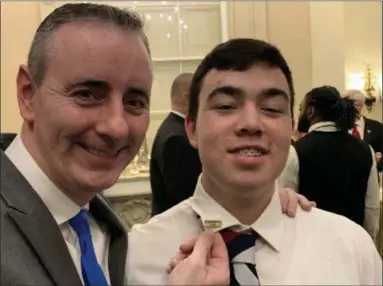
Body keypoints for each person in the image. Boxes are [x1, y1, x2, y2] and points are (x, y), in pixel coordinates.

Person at [0, 4, 313, 286]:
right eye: (87, 94)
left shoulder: (105, 232)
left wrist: (261, 202)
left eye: (135, 102)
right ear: (28, 94)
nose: (116, 126)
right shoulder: (141, 247)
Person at [127, 39, 382, 285]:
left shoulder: (349, 248)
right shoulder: (136, 257)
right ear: (192, 128)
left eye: (271, 108)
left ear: (291, 127)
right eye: (226, 106)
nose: (251, 124)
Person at [280, 86, 380, 240]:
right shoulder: (366, 150)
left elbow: (288, 206)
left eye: (301, 109)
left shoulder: (296, 152)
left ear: (311, 111)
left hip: (311, 243)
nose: (299, 114)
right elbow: (371, 208)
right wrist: (367, 242)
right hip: (352, 242)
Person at [150, 73, 202, 216]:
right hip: (178, 227)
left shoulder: (171, 128)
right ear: (187, 98)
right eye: (200, 97)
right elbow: (184, 197)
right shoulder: (177, 138)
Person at [343, 89, 383, 171]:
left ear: (360, 105)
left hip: (370, 179)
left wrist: (378, 161)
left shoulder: (377, 127)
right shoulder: (337, 126)